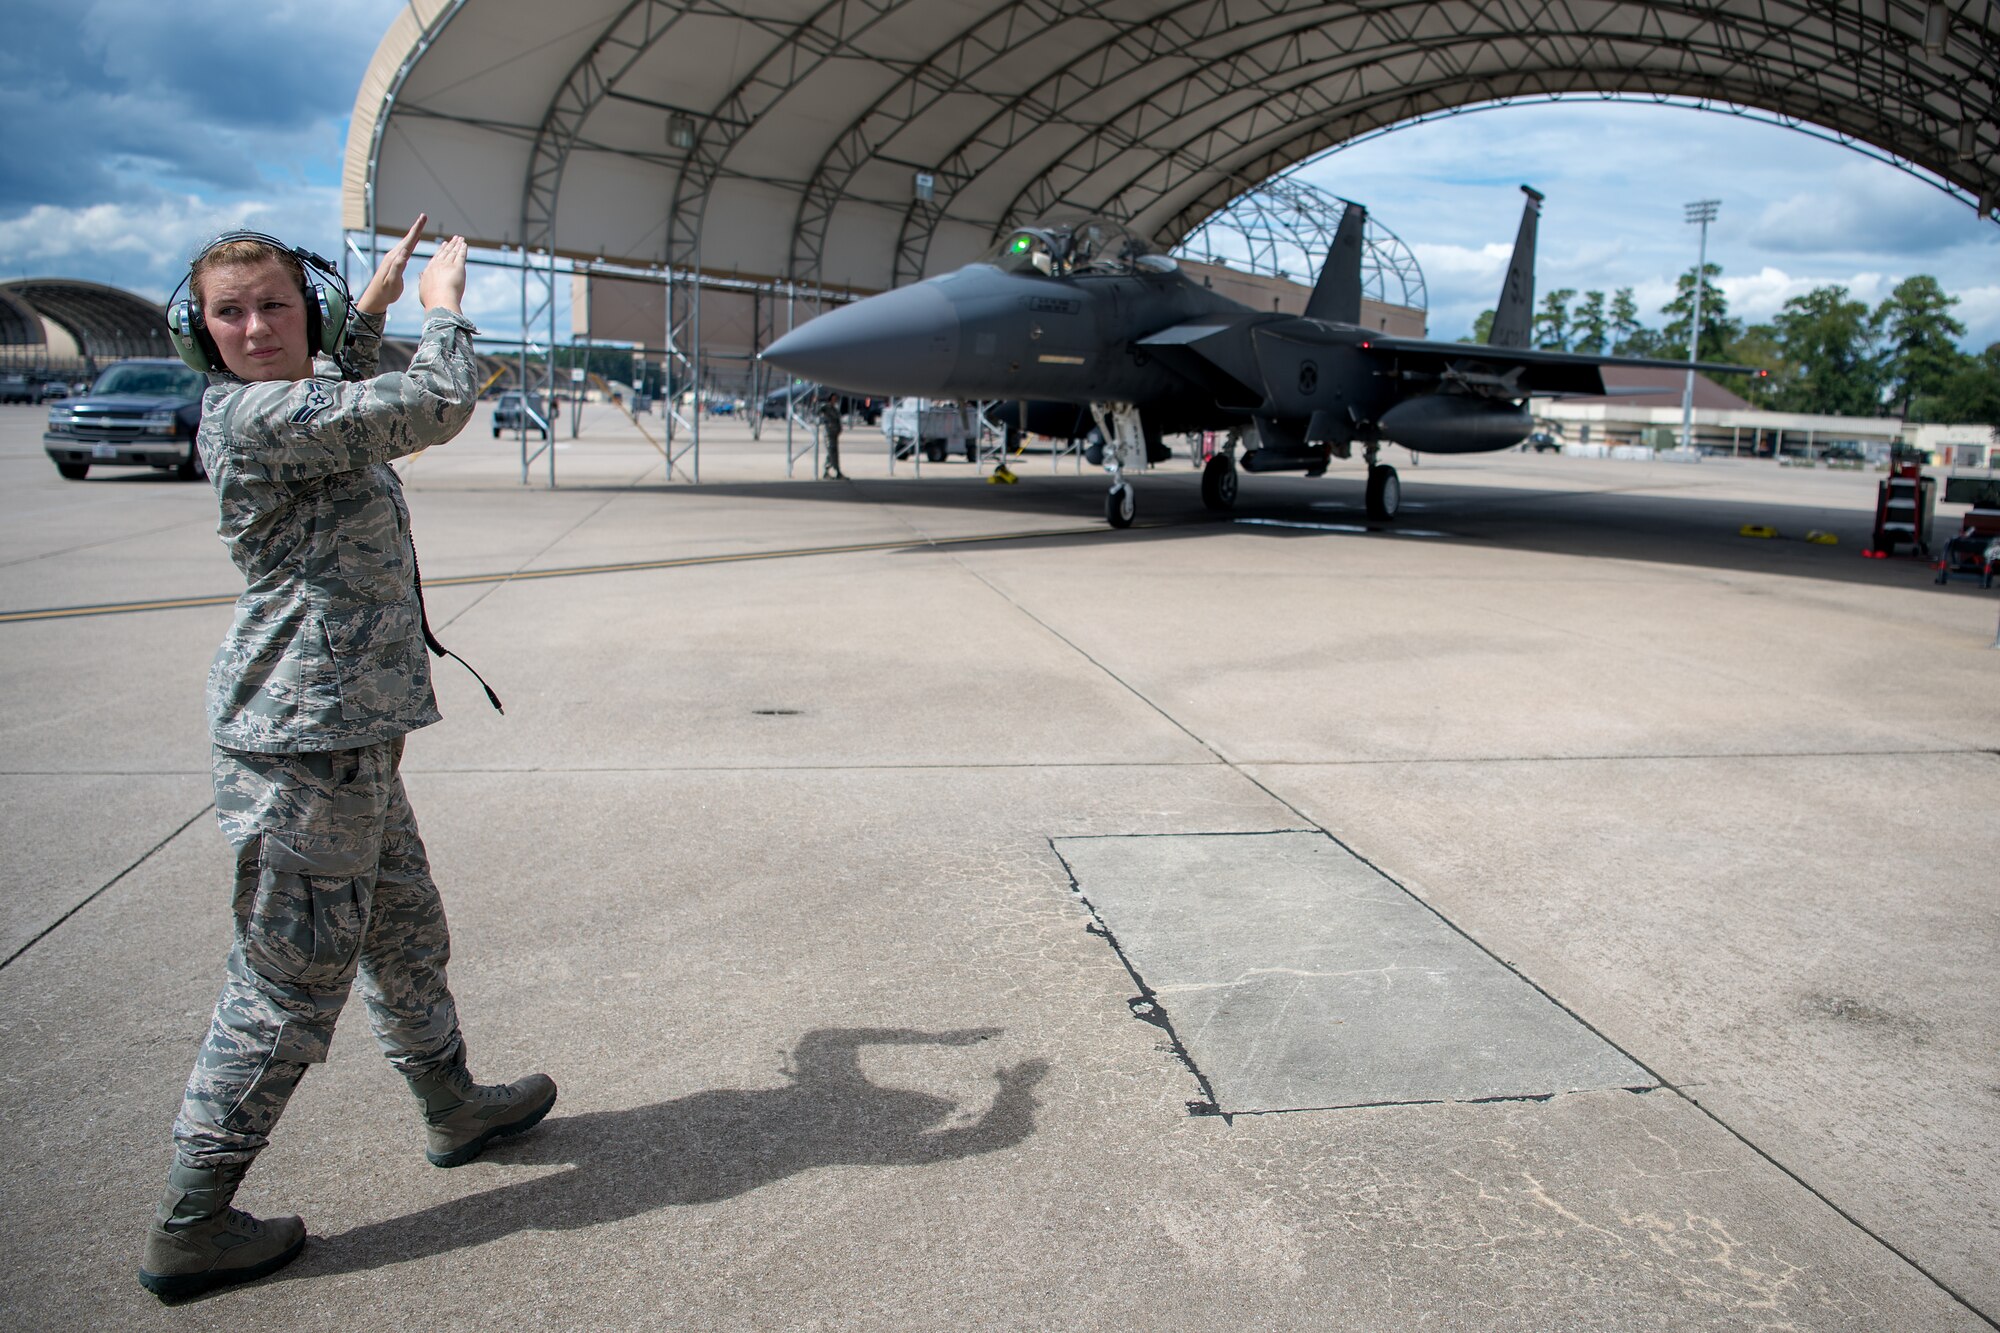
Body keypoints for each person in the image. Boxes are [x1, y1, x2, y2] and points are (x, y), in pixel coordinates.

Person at [139, 216, 556, 1301]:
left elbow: (347, 391)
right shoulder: (253, 412)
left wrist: (366, 308)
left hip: (350, 731)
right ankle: (193, 1216)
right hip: (300, 743)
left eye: (277, 303)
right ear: (201, 332)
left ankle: (452, 1104)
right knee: (287, 982)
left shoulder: (296, 394)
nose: (255, 325)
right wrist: (445, 309)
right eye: (231, 312)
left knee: (405, 927)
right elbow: (422, 406)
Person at [817, 395, 845, 479]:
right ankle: (828, 471)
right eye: (834, 398)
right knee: (831, 451)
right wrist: (816, 402)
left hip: (834, 433)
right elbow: (817, 411)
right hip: (828, 433)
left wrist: (839, 429)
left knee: (834, 453)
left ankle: (837, 471)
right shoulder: (826, 407)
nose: (835, 400)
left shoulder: (835, 409)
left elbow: (837, 420)